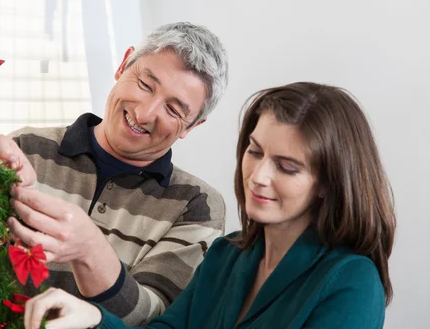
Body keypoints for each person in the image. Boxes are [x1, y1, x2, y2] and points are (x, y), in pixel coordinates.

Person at [21, 82, 397, 329]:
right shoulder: (226, 255)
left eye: (287, 167)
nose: (259, 176)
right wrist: (92, 319)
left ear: (327, 185)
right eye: (255, 151)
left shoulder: (352, 281)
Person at [0, 22, 229, 325]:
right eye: (145, 84)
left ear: (192, 126)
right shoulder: (28, 150)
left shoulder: (196, 204)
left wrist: (90, 250)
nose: (144, 114)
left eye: (174, 110)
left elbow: (155, 319)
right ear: (123, 64)